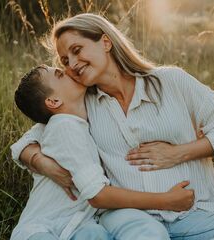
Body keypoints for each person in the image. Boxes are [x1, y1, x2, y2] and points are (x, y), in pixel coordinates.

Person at [11, 13, 214, 239]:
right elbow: (26, 142)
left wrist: (179, 152)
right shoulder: (83, 104)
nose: (72, 64)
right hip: (130, 218)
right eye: (64, 61)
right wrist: (43, 163)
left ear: (105, 42)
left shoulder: (172, 81)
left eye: (77, 50)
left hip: (195, 214)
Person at [11, 64, 194, 240]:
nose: (68, 70)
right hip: (42, 227)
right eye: (60, 74)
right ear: (54, 101)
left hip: (78, 225)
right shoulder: (63, 125)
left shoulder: (85, 110)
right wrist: (166, 200)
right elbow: (97, 194)